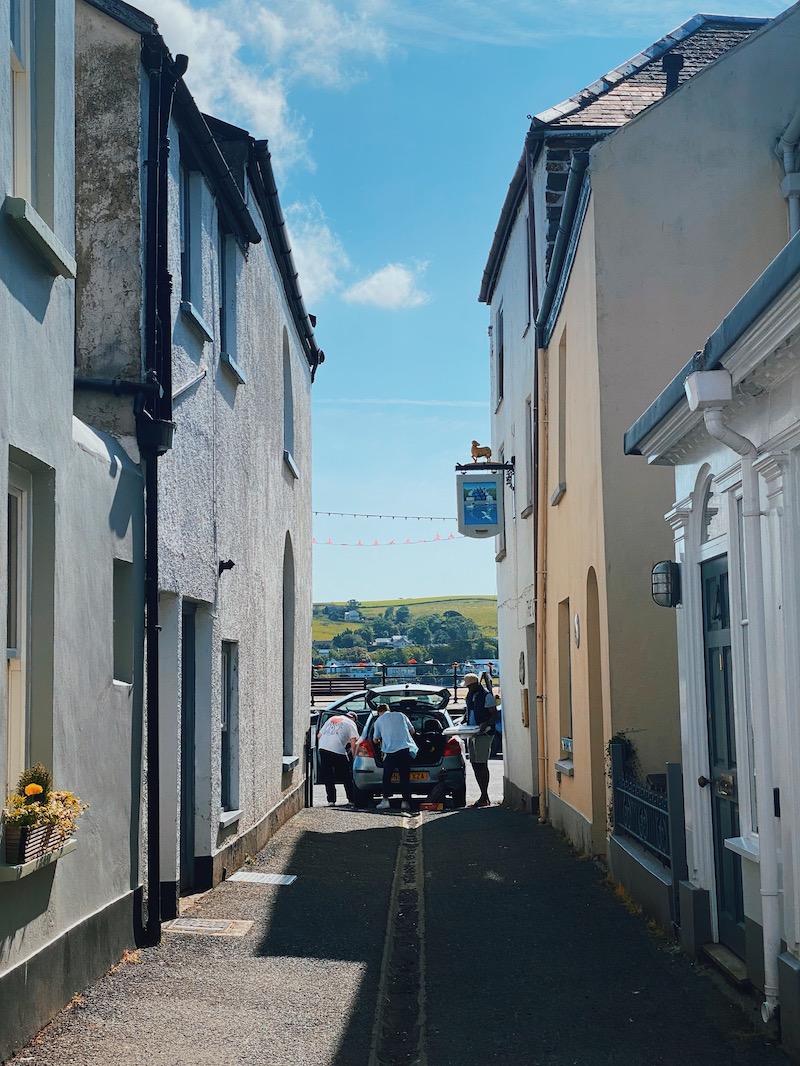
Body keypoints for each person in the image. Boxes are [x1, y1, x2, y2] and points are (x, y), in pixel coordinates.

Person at [372, 702, 417, 812]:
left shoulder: (378, 721)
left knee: (387, 776)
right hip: (404, 750)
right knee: (404, 777)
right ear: (389, 709)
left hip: (390, 752)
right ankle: (405, 802)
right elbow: (412, 731)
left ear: (379, 712)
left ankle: (386, 800)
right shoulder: (401, 715)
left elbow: (375, 739)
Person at [463, 672, 498, 807]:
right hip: (472, 732)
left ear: (475, 685)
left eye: (469, 687)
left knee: (482, 763)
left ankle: (484, 796)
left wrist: (486, 724)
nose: (468, 689)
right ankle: (483, 796)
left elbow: (494, 715)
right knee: (474, 763)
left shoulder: (486, 696)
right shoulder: (471, 696)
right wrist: (464, 720)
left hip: (484, 734)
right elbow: (469, 712)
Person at [317, 711, 360, 806]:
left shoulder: (332, 719)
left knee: (328, 776)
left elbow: (319, 735)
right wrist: (355, 759)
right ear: (354, 719)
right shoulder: (351, 724)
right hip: (337, 750)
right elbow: (353, 745)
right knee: (346, 776)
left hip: (323, 748)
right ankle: (351, 799)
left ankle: (331, 801)